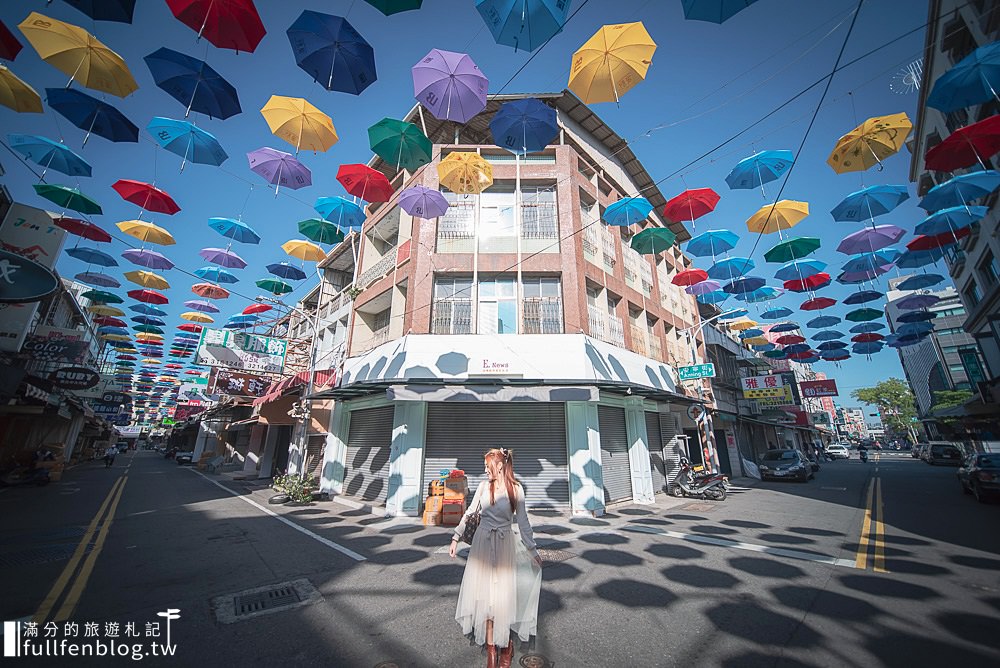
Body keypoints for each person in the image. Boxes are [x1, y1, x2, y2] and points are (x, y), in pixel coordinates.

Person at [449, 448, 543, 668]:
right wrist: (455, 538)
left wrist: (533, 550)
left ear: (500, 466)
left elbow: (523, 522)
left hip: (503, 545)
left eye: (487, 466)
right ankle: (492, 650)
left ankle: (506, 646)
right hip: (482, 545)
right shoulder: (483, 486)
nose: (484, 470)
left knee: (501, 598)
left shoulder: (516, 489)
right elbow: (470, 513)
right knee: (485, 598)